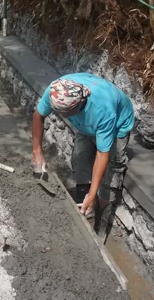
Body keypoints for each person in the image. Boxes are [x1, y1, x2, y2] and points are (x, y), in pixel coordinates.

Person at [31, 74, 135, 217]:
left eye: (66, 113)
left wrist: (93, 195)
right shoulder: (56, 91)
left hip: (117, 124)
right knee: (80, 157)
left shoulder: (103, 110)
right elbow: (38, 116)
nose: (63, 116)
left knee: (111, 169)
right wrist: (37, 151)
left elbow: (102, 153)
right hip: (88, 123)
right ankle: (83, 204)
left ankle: (102, 210)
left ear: (79, 104)